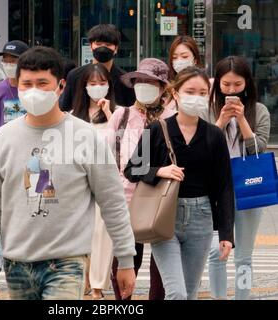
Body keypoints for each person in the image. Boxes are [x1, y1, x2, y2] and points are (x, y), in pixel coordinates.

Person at [0, 46, 136, 300]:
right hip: (16, 263)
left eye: (42, 83)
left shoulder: (85, 136)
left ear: (60, 86)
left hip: (67, 262)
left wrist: (126, 260)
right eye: (26, 84)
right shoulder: (3, 138)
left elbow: (112, 201)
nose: (34, 90)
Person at [124, 67, 235, 300]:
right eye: (190, 91)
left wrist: (226, 233)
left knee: (190, 292)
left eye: (202, 93)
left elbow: (224, 186)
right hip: (165, 216)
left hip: (202, 217)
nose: (196, 97)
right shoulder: (157, 129)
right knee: (176, 293)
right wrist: (160, 171)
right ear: (175, 94)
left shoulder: (214, 135)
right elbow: (131, 169)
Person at [107, 58, 175, 300]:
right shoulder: (122, 116)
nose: (144, 85)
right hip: (125, 200)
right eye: (140, 81)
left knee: (162, 272)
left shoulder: (173, 117)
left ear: (163, 87)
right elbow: (107, 158)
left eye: (151, 82)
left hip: (160, 200)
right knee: (124, 265)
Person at [205, 56, 271, 300]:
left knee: (244, 254)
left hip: (248, 186)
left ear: (247, 83)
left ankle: (242, 297)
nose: (231, 90)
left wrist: (242, 119)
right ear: (217, 85)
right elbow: (204, 147)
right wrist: (221, 119)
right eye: (226, 85)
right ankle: (218, 297)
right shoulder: (208, 109)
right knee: (216, 252)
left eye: (237, 84)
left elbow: (258, 148)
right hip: (216, 188)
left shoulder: (260, 111)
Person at [72, 63, 116, 300]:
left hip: (104, 182)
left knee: (102, 234)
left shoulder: (118, 114)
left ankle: (98, 286)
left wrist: (110, 114)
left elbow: (123, 145)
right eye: (92, 84)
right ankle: (83, 279)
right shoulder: (71, 117)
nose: (97, 88)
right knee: (81, 233)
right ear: (84, 87)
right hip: (77, 184)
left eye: (102, 83)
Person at [59, 24, 135, 111]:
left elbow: (130, 112)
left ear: (116, 48)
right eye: (98, 44)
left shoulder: (125, 80)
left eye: (108, 44)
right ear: (91, 46)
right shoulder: (75, 75)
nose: (103, 48)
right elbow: (65, 108)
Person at [0, 40, 29, 134]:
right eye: (5, 61)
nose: (8, 65)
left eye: (13, 61)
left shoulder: (36, 89)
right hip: (4, 145)